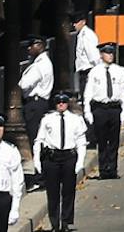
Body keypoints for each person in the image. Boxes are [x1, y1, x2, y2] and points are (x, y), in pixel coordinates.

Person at [34, 91, 86, 232]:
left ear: (67, 104)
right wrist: (37, 160)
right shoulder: (47, 119)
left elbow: (81, 141)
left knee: (69, 191)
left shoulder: (76, 119)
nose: (61, 104)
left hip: (69, 156)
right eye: (58, 102)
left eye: (63, 102)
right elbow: (39, 140)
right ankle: (55, 223)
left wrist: (80, 161)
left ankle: (66, 221)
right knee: (53, 192)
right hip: (52, 158)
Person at [82, 43, 124, 179]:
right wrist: (88, 112)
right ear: (101, 55)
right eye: (107, 53)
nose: (110, 55)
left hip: (114, 108)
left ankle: (113, 169)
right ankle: (103, 170)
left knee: (114, 141)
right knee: (102, 141)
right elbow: (88, 94)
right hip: (100, 108)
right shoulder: (95, 72)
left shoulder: (120, 71)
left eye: (111, 53)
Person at [18, 36, 55, 163]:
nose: (28, 48)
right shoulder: (43, 62)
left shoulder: (39, 65)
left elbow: (24, 84)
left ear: (39, 45)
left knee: (35, 138)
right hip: (40, 103)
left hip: (35, 104)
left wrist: (22, 79)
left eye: (31, 45)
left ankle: (41, 174)